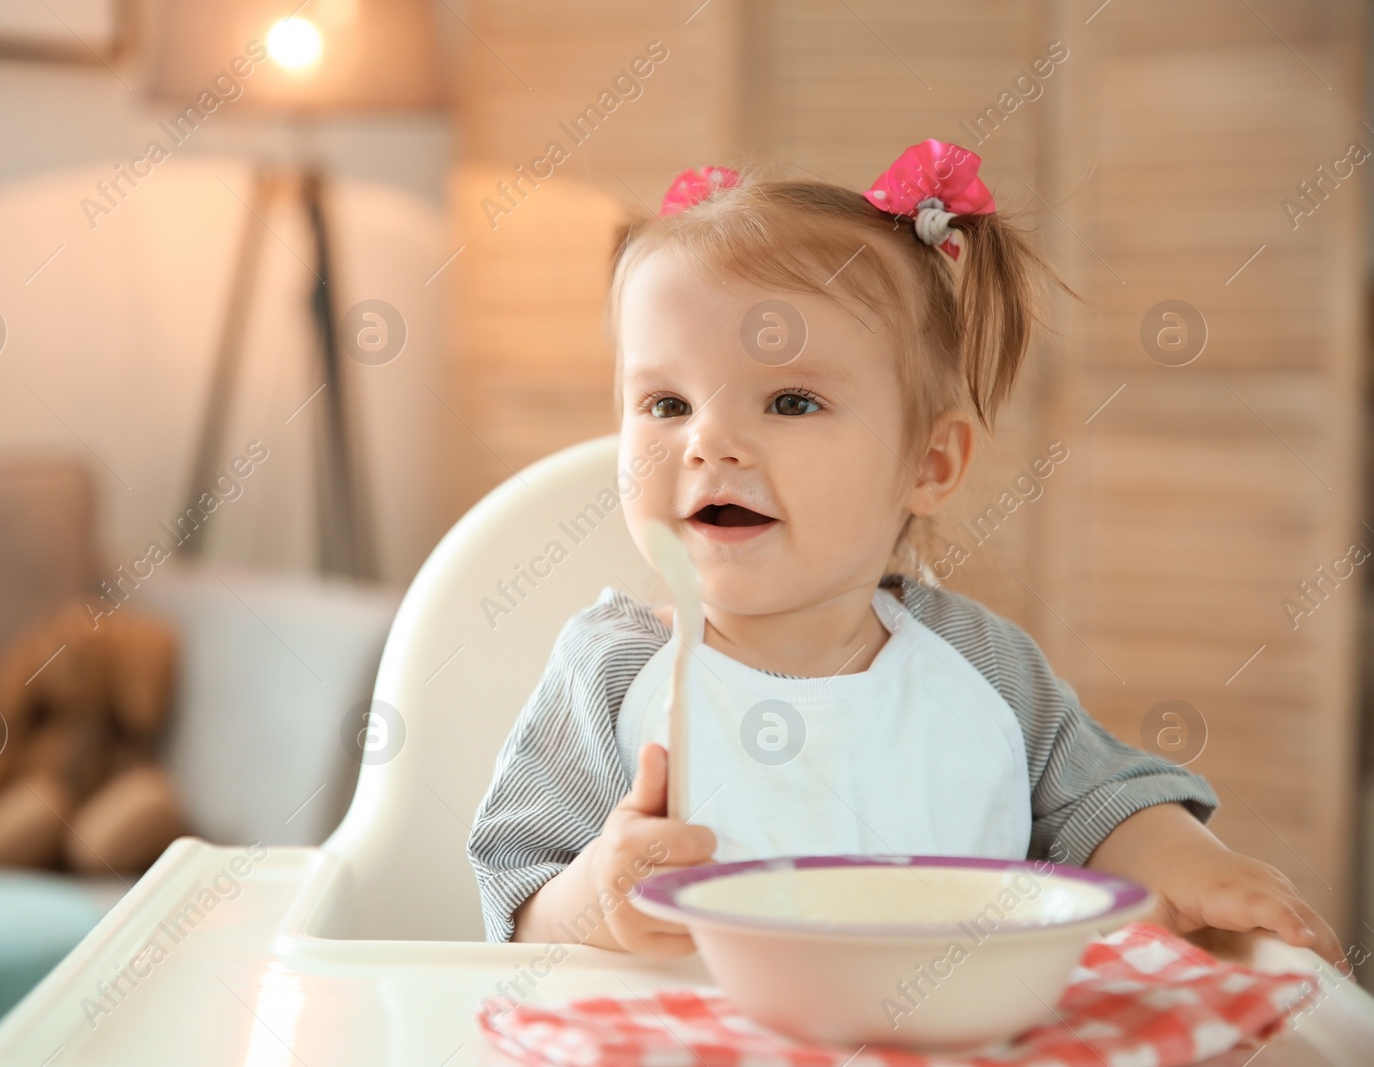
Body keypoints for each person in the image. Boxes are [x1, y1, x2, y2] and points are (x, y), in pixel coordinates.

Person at [466, 140, 1343, 967]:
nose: (709, 443)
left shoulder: (980, 665)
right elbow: (514, 895)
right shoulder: (612, 671)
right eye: (664, 404)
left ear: (928, 463)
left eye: (792, 402)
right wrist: (600, 896)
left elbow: (1103, 804)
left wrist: (1192, 866)